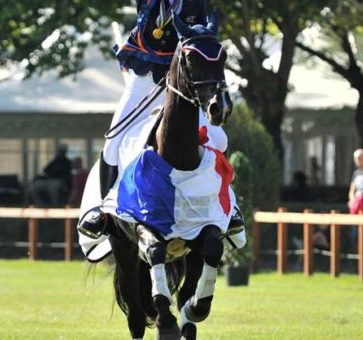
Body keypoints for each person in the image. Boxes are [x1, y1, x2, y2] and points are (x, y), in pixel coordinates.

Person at [79, 0, 243, 237]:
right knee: (113, 139)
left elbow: (199, 37)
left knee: (219, 139)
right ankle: (104, 213)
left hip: (182, 79)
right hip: (145, 75)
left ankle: (229, 208)